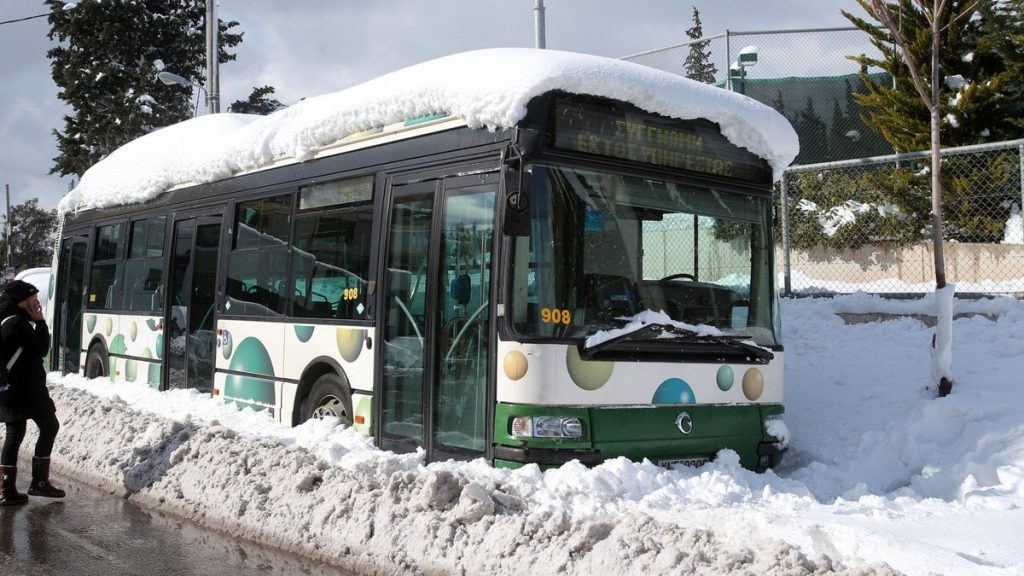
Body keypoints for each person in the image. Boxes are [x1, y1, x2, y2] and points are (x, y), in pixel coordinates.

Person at [0, 280, 64, 506]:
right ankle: (39, 482)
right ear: (22, 302)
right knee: (50, 426)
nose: (37, 304)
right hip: (28, 389)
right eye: (33, 300)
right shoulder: (18, 323)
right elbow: (41, 349)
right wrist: (41, 323)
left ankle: (6, 489)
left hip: (7, 388)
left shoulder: (4, 318)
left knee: (14, 434)